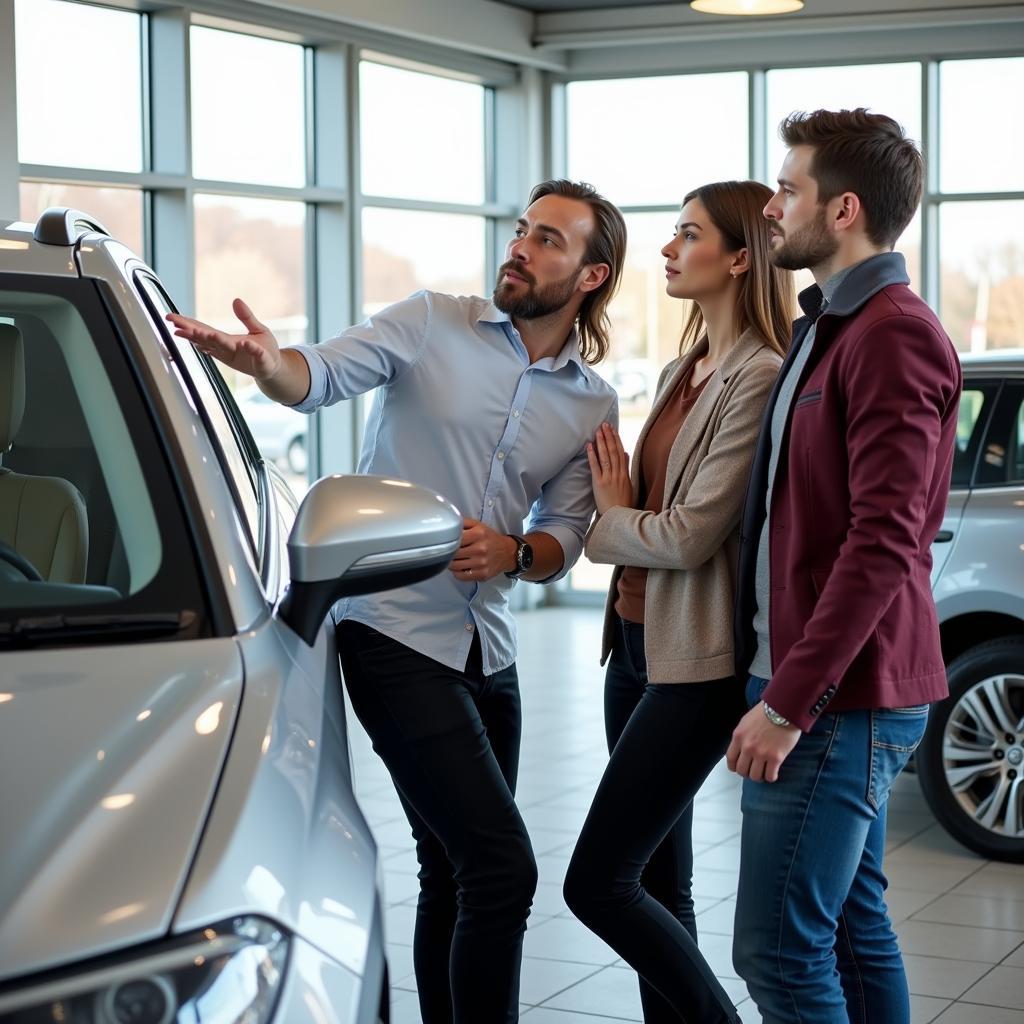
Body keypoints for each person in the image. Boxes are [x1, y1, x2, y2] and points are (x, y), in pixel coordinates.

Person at [167, 179, 627, 1024]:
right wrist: (269, 363)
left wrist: (517, 551)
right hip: (391, 633)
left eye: (549, 240)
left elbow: (565, 532)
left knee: (450, 866)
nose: (520, 247)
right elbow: (320, 376)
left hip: (490, 649)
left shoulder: (590, 400)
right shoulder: (431, 321)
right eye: (522, 231)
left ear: (591, 275)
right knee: (503, 867)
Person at [727, 109, 962, 1023]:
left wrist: (788, 702)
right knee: (853, 929)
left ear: (843, 210)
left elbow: (884, 540)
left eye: (788, 189)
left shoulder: (892, 333)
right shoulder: (828, 325)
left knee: (778, 951)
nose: (773, 205)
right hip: (824, 687)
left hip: (841, 698)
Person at [562, 179, 794, 1023]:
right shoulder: (682, 367)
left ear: (740, 258)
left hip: (695, 662)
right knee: (658, 882)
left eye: (687, 235)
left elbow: (691, 534)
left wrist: (610, 523)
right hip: (630, 645)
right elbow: (646, 514)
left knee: (596, 883)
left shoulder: (759, 375)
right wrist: (627, 518)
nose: (666, 249)